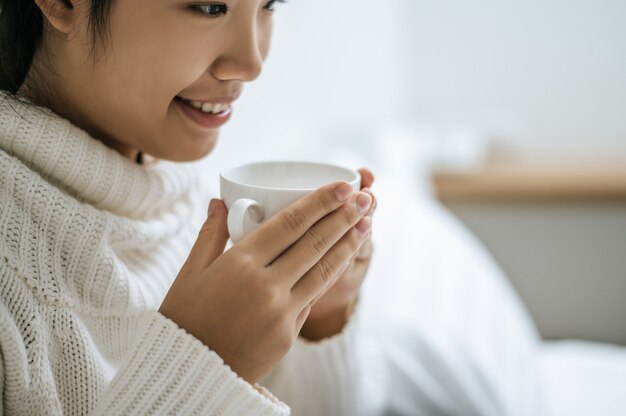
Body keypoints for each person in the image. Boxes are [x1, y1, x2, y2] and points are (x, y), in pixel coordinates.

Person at [0, 1, 544, 415]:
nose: (252, 61)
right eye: (210, 6)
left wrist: (318, 320)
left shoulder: (187, 197)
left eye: (268, 5)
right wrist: (201, 363)